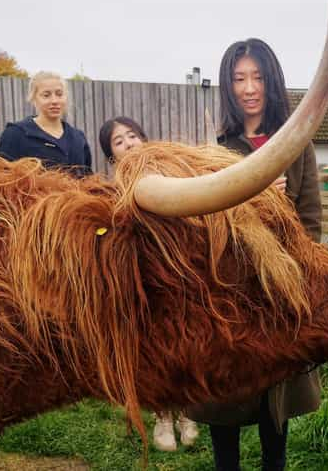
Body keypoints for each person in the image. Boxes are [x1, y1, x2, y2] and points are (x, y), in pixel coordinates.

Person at [187, 38, 322, 471]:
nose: (249, 88)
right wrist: (251, 199)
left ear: (272, 82)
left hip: (279, 297)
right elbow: (204, 226)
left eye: (258, 77)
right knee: (223, 402)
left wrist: (283, 217)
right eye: (239, 78)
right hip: (230, 298)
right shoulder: (216, 149)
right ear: (228, 85)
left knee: (274, 406)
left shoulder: (296, 142)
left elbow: (312, 223)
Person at [98, 116, 200, 452]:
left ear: (144, 139)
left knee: (185, 345)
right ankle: (163, 418)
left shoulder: (171, 175)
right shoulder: (109, 192)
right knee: (155, 352)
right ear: (111, 157)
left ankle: (186, 413)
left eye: (132, 135)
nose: (128, 143)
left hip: (178, 276)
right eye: (118, 141)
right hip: (142, 283)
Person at [0, 71, 92, 177]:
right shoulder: (16, 134)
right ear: (34, 99)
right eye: (46, 95)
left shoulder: (78, 138)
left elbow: (88, 179)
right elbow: (3, 181)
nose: (54, 100)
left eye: (59, 94)